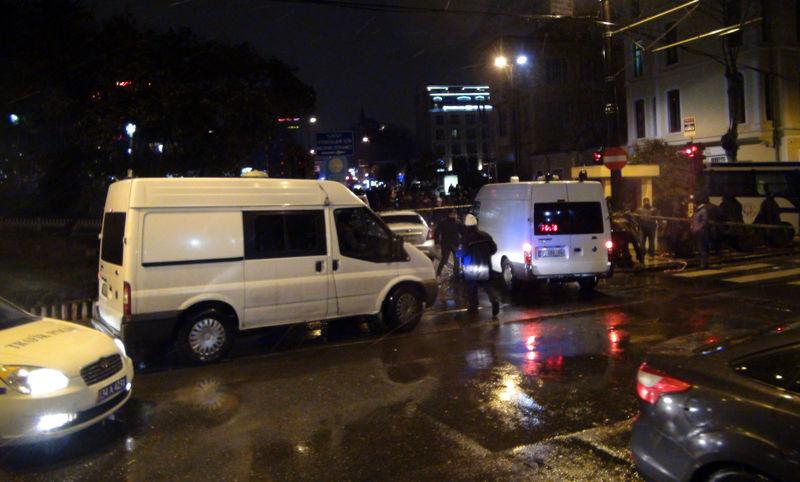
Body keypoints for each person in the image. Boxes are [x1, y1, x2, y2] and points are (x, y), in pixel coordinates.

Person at [459, 214, 500, 318]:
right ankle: (494, 299)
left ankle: (473, 308)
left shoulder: (466, 239)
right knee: (487, 285)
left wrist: (457, 253)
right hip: (485, 266)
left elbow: (462, 253)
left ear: (467, 226)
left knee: (472, 288)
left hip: (471, 268)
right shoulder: (486, 236)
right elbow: (494, 249)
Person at [434, 209, 462, 278]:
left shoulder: (458, 222)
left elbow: (463, 232)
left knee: (457, 259)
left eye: (455, 214)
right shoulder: (443, 222)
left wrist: (463, 241)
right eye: (452, 213)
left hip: (455, 243)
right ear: (449, 214)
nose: (454, 215)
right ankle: (438, 273)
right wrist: (437, 242)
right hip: (446, 244)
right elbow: (437, 232)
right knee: (444, 259)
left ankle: (456, 274)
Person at [691, 196, 711, 269]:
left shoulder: (702, 211)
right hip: (698, 231)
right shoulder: (699, 210)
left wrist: (696, 229)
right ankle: (703, 263)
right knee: (700, 248)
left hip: (701, 232)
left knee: (702, 248)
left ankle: (704, 264)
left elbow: (704, 221)